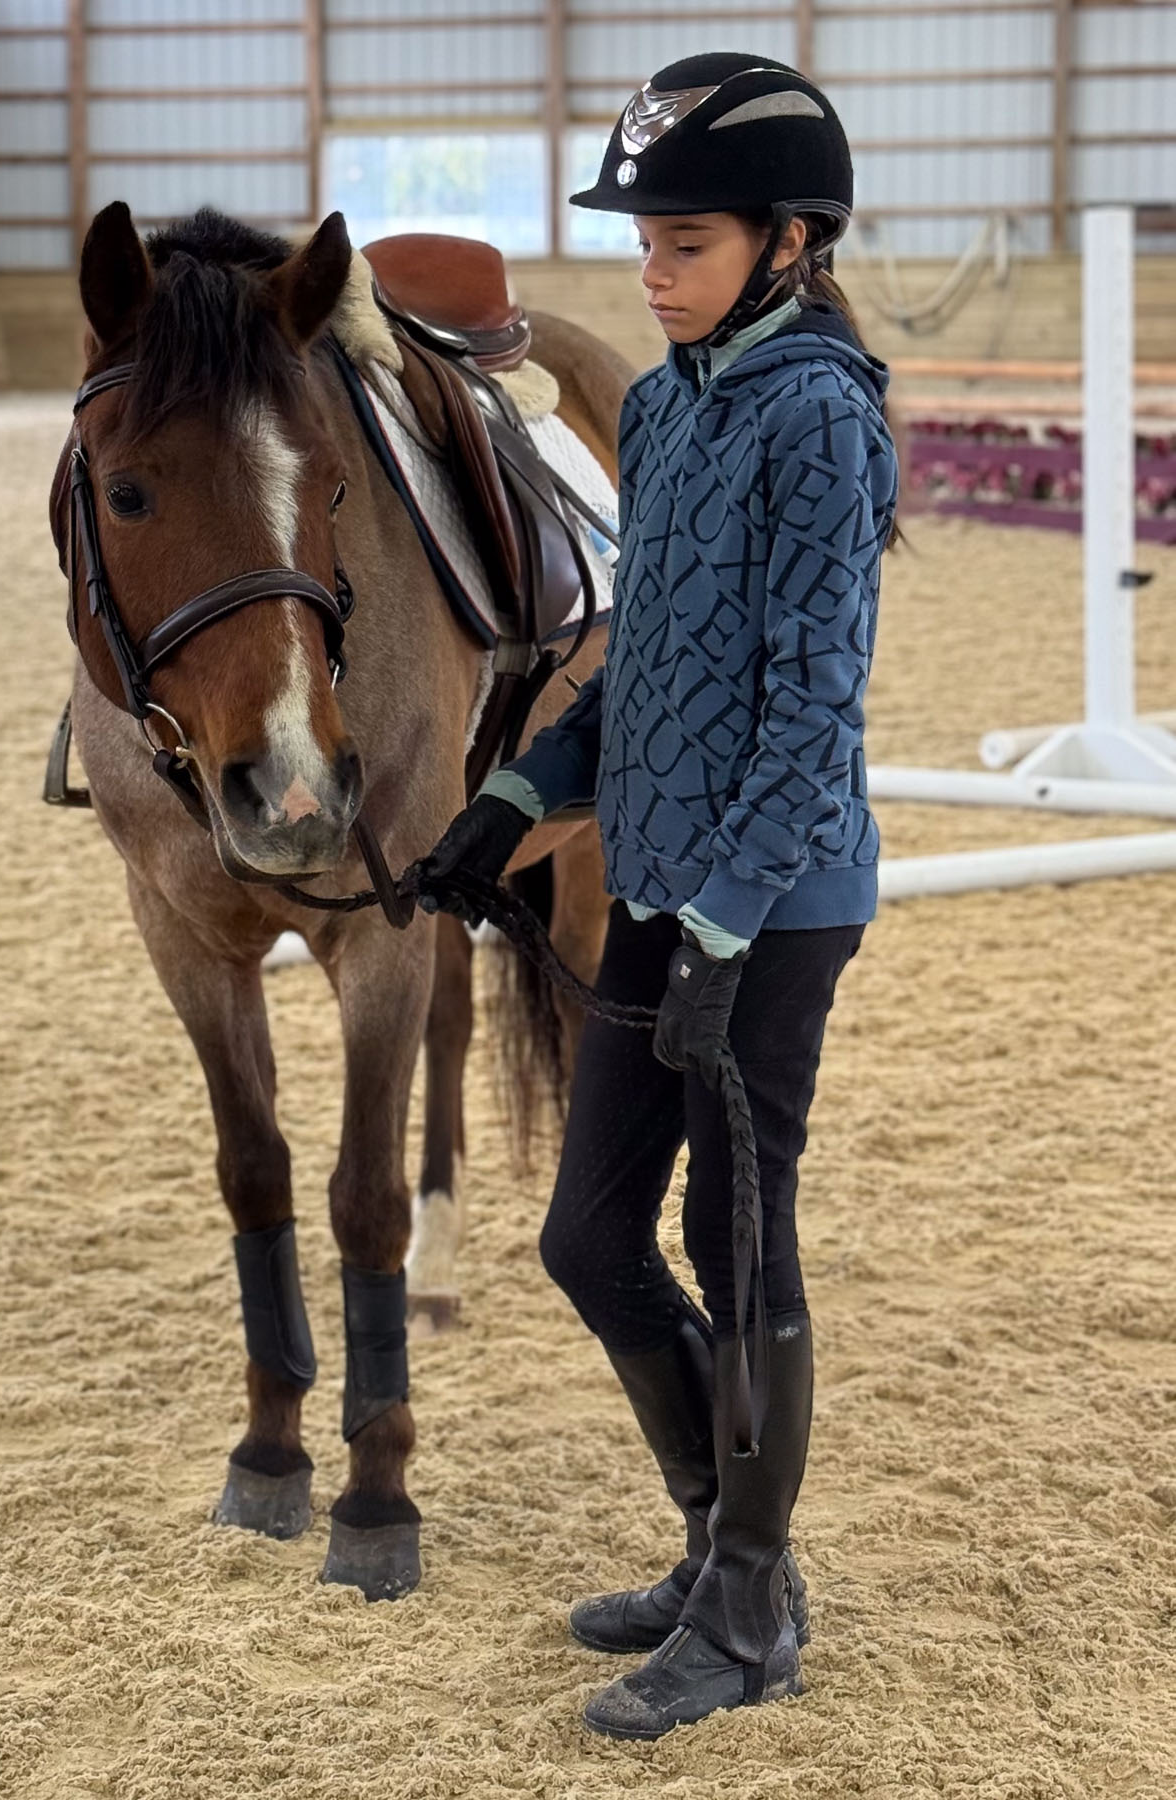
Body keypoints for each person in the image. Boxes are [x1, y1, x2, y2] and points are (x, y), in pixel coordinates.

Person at [414, 51, 899, 1741]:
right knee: (586, 1237)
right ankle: (716, 1549)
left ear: (785, 243)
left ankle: (756, 1613)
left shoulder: (820, 419)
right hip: (660, 884)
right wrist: (510, 805)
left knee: (735, 1236)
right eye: (643, 243)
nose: (649, 271)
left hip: (773, 901)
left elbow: (804, 701)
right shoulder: (671, 404)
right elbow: (647, 672)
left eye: (682, 243)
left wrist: (715, 929)